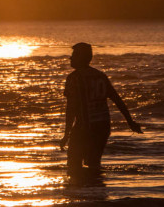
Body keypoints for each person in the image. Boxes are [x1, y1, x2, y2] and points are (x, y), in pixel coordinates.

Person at [59, 42, 142, 174]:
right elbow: (117, 99)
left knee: (73, 165)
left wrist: (66, 134)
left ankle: (81, 191)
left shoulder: (74, 78)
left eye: (74, 55)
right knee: (94, 164)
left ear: (81, 57)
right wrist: (130, 122)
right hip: (102, 127)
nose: (71, 58)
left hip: (84, 127)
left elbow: (71, 108)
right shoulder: (100, 76)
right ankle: (96, 190)